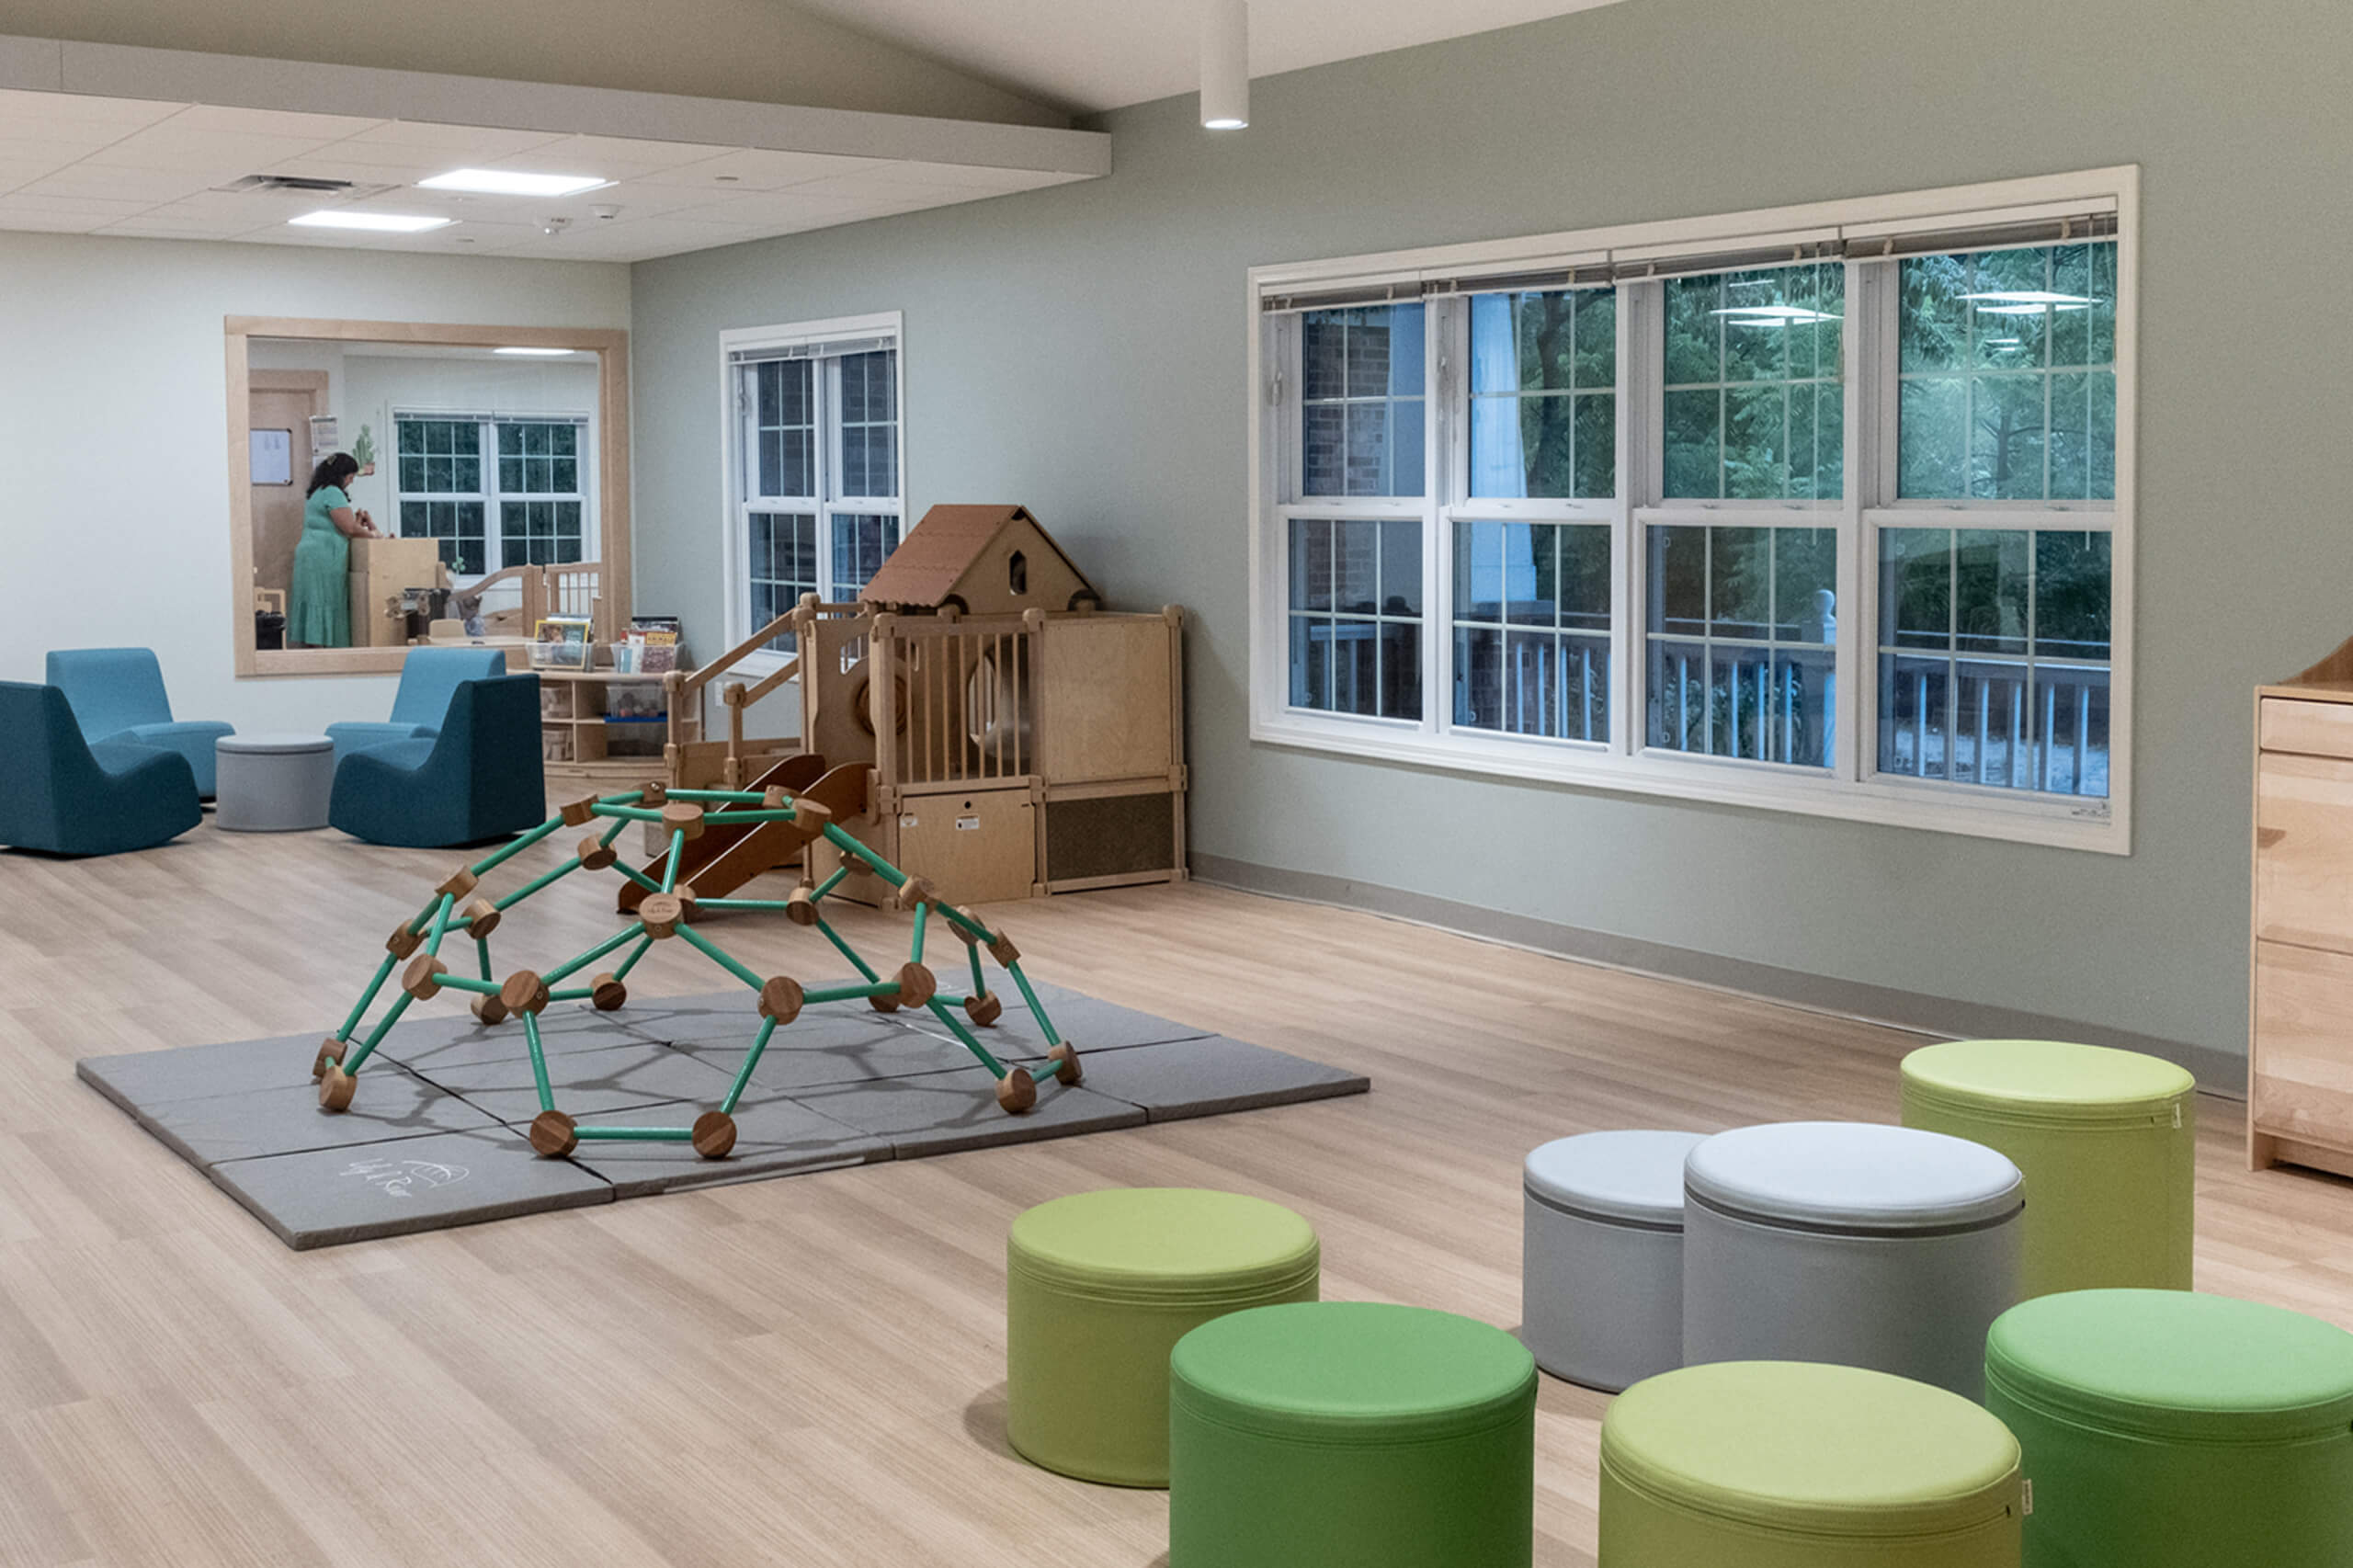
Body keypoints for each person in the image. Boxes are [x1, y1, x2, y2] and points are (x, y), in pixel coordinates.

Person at [289, 452, 382, 648]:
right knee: (325, 599)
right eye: (351, 477)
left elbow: (341, 526)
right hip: (323, 555)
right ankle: (324, 652)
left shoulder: (317, 492)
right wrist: (373, 534)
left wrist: (358, 523)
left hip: (311, 552)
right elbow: (348, 528)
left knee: (314, 598)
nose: (351, 482)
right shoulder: (333, 492)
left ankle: (316, 647)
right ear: (342, 475)